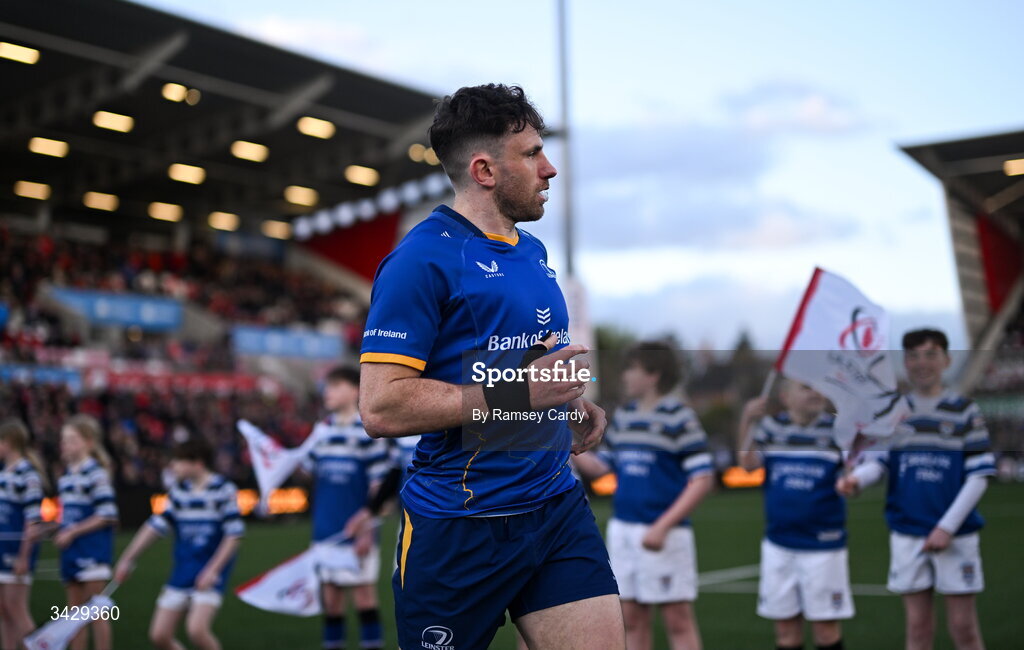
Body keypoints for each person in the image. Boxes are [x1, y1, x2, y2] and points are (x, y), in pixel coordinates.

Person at [358, 83, 622, 650]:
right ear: (483, 169)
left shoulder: (532, 253)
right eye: (531, 154)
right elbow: (380, 407)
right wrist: (521, 396)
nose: (549, 169)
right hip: (460, 526)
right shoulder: (419, 261)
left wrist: (572, 401)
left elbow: (527, 364)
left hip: (555, 507)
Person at [837, 328, 994, 650]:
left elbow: (979, 476)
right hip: (908, 532)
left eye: (930, 354)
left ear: (946, 360)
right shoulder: (894, 414)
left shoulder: (964, 410)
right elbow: (879, 463)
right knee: (918, 628)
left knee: (963, 628)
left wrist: (946, 527)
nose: (922, 363)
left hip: (955, 534)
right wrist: (857, 481)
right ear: (905, 362)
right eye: (913, 356)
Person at [574, 342, 713, 650]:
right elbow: (600, 469)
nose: (625, 375)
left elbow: (702, 479)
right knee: (632, 618)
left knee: (678, 619)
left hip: (665, 532)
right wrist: (563, 440)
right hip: (624, 531)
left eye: (631, 368)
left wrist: (663, 526)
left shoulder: (679, 416)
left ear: (653, 375)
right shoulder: (625, 416)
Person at [737, 380, 852, 650]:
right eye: (806, 387)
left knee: (825, 631)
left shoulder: (839, 429)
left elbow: (854, 474)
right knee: (786, 633)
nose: (815, 392)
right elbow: (747, 463)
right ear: (786, 397)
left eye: (817, 387)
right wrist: (747, 419)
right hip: (779, 543)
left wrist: (850, 481)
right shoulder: (771, 427)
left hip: (823, 545)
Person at [114, 438, 244, 650]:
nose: (173, 466)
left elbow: (233, 536)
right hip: (183, 571)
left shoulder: (223, 489)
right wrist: (127, 559)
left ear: (198, 463)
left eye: (179, 460)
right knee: (159, 635)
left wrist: (213, 570)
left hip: (209, 572)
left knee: (197, 630)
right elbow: (154, 527)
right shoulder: (179, 492)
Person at [305, 366, 392, 650]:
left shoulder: (366, 430)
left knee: (364, 596)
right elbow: (308, 471)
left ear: (355, 390)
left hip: (356, 530)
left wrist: (367, 528)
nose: (326, 392)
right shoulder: (322, 431)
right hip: (325, 529)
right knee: (330, 601)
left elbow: (380, 482)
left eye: (334, 385)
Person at [55, 414, 118, 650]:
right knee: (73, 617)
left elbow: (107, 514)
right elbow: (69, 515)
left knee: (97, 614)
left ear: (88, 442)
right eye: (64, 440)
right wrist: (52, 528)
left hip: (92, 550)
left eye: (71, 439)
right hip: (72, 551)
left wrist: (71, 532)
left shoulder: (96, 473)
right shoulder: (66, 476)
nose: (65, 445)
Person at [0, 419, 47, 650]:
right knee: (3, 608)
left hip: (16, 550)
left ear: (8, 442)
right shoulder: (3, 473)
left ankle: (41, 646)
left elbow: (33, 520)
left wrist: (24, 555)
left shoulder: (27, 474)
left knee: (15, 607)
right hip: (2, 549)